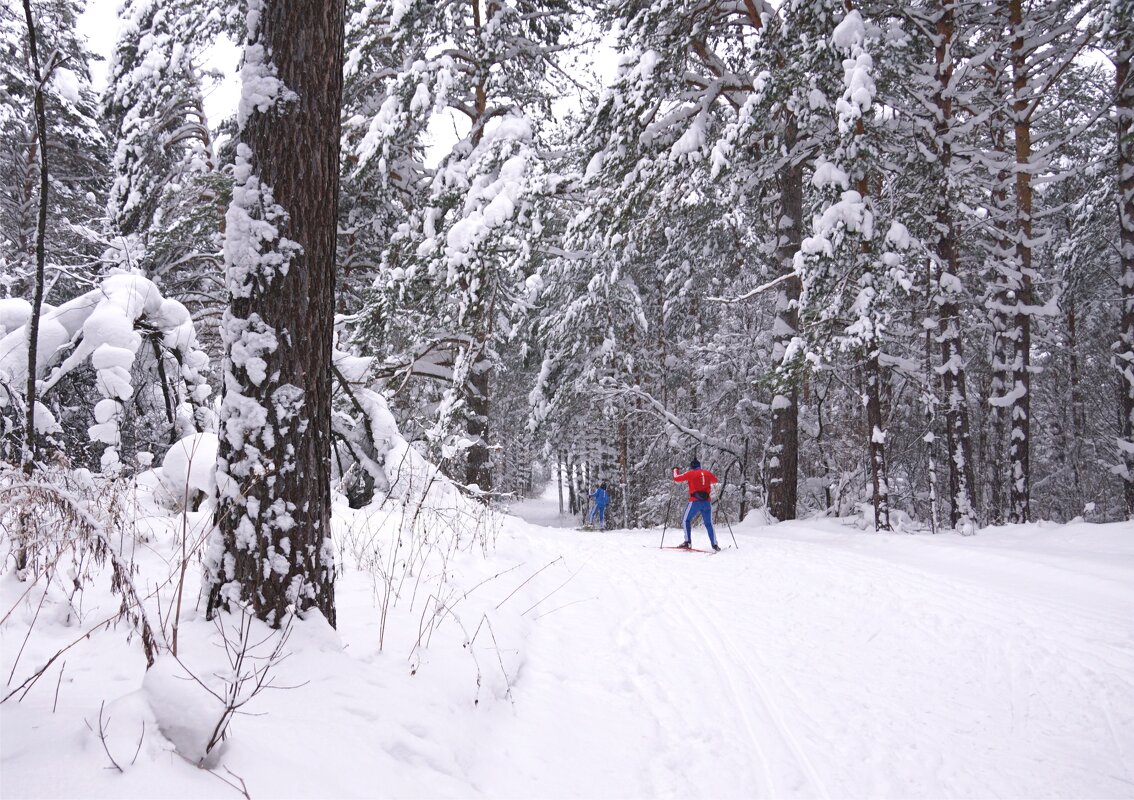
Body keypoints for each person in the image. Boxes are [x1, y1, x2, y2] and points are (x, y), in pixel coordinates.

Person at [673, 459, 719, 550]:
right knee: (709, 524)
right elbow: (715, 481)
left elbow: (676, 478)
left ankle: (687, 542)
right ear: (699, 466)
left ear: (692, 467)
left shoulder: (690, 473)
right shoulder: (707, 473)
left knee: (686, 520)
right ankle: (714, 545)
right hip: (706, 502)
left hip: (695, 502)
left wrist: (675, 470)